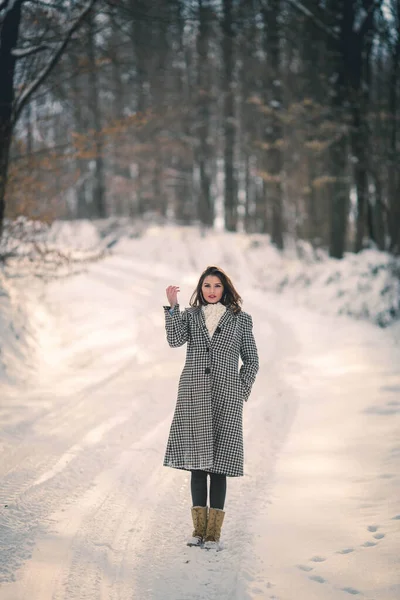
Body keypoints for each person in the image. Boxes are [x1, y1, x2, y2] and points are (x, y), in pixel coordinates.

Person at [163, 265, 259, 551]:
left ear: (225, 289)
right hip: (194, 397)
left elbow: (252, 361)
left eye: (217, 286)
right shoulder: (190, 316)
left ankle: (213, 535)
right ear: (200, 290)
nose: (212, 291)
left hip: (226, 399)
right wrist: (172, 308)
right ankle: (198, 530)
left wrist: (239, 390)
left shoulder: (241, 320)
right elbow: (174, 340)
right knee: (197, 465)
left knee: (219, 467)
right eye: (207, 286)